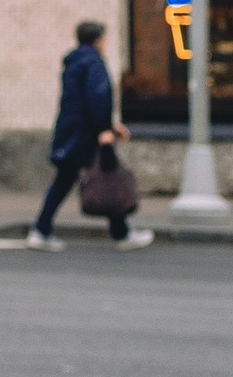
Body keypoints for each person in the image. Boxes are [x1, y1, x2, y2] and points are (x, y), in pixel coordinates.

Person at [28, 16, 149, 247]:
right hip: (87, 133)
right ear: (98, 40)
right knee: (105, 175)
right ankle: (119, 233)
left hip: (73, 130)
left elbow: (81, 100)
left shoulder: (74, 62)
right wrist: (105, 128)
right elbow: (98, 97)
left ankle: (118, 232)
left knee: (76, 178)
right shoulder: (93, 63)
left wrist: (110, 125)